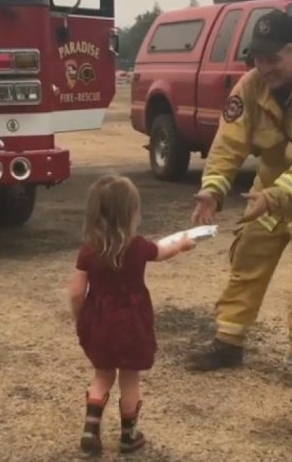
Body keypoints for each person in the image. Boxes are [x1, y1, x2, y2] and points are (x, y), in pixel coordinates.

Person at [188, 10, 292, 389]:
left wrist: (277, 195)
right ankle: (229, 341)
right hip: (268, 191)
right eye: (258, 58)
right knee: (248, 261)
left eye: (273, 59)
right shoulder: (248, 86)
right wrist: (212, 189)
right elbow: (228, 143)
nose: (264, 67)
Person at [68, 174, 197, 455]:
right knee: (130, 379)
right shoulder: (138, 246)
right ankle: (128, 436)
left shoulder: (89, 250)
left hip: (100, 321)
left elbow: (77, 292)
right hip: (133, 323)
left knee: (102, 376)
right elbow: (164, 251)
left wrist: (81, 319)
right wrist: (184, 244)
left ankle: (91, 430)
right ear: (131, 213)